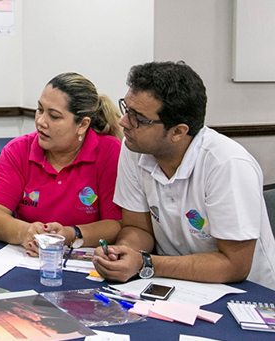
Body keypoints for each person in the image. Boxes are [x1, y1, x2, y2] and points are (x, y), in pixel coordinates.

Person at [92, 61, 275, 290]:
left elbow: (234, 265)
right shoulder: (135, 149)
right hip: (174, 283)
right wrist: (125, 252)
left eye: (138, 117)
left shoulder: (227, 164)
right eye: (126, 109)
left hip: (244, 292)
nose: (123, 122)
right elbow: (138, 228)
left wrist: (147, 263)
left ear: (178, 131)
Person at [0, 72, 123, 256]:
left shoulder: (109, 152)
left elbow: (117, 224)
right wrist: (24, 232)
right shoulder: (18, 150)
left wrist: (72, 234)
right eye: (40, 110)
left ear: (83, 124)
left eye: (54, 116)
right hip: (27, 259)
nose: (40, 121)